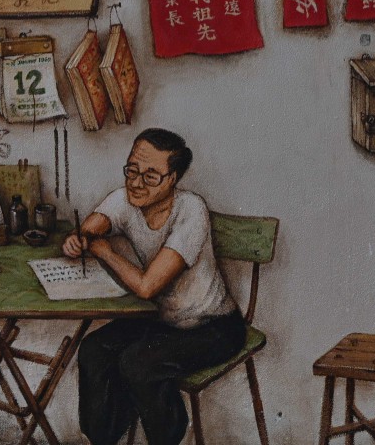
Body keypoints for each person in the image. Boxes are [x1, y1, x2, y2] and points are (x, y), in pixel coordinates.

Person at [62, 128, 246, 445]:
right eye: (132, 170)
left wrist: (104, 250)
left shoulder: (191, 210)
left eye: (150, 176)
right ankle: (102, 439)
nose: (135, 182)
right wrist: (81, 238)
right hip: (161, 322)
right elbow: (96, 223)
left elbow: (147, 287)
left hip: (212, 327)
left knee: (136, 363)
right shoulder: (125, 198)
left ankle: (169, 437)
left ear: (172, 179)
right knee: (94, 350)